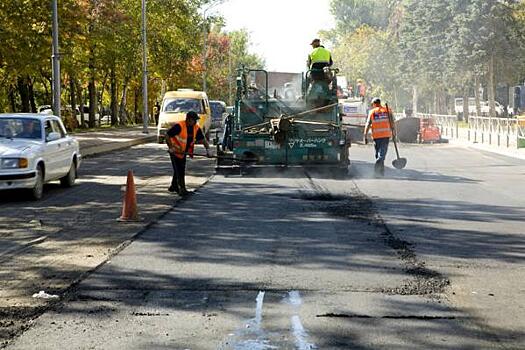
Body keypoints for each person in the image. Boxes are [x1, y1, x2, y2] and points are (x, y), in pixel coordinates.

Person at [166, 111, 211, 196]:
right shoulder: (179, 126)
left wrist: (208, 150)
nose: (196, 122)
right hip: (175, 151)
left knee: (178, 169)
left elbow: (203, 139)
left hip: (183, 152)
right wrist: (171, 147)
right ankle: (182, 190)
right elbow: (167, 135)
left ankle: (173, 186)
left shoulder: (196, 128)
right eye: (194, 120)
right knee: (180, 170)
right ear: (189, 119)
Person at [363, 98, 394, 177]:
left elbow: (368, 124)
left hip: (377, 137)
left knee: (379, 154)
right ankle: (380, 172)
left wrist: (365, 135)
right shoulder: (387, 111)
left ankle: (378, 171)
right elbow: (392, 123)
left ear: (374, 104)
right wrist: (394, 132)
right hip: (385, 135)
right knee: (380, 154)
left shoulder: (372, 112)